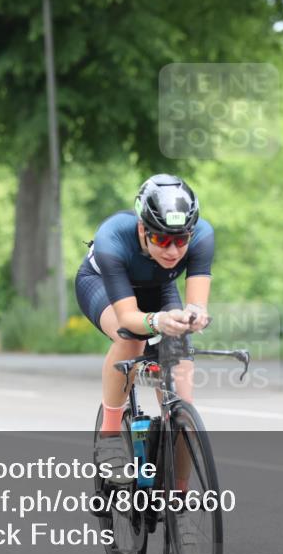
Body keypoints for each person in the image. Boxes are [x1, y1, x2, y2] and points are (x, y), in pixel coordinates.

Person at [76, 174, 213, 485]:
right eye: (162, 239)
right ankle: (110, 435)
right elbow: (127, 317)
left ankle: (176, 503)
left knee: (183, 403)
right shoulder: (112, 236)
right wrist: (156, 322)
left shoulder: (203, 236)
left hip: (159, 289)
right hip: (103, 287)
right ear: (142, 229)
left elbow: (196, 304)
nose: (173, 251)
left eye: (181, 240)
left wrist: (196, 316)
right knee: (134, 338)